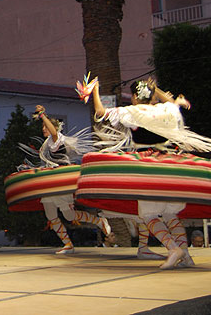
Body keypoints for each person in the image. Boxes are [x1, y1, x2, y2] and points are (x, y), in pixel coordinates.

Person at [80, 78, 211, 269]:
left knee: (148, 215)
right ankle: (186, 256)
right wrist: (156, 89)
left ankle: (173, 248)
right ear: (150, 96)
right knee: (171, 215)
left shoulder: (131, 111)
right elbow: (171, 101)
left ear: (134, 97)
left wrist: (96, 91)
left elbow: (100, 112)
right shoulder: (165, 109)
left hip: (150, 169)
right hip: (172, 167)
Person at [32, 105, 110, 255]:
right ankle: (68, 244)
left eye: (45, 126)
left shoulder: (56, 139)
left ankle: (99, 221)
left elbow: (53, 132)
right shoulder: (46, 143)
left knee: (69, 215)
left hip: (60, 181)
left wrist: (42, 115)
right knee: (50, 215)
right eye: (42, 127)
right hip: (49, 182)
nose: (43, 129)